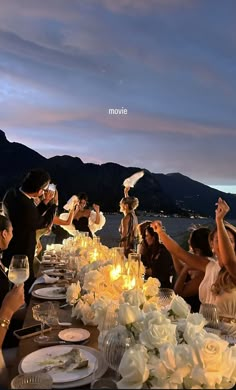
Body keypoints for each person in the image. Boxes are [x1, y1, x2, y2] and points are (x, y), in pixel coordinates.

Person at [151, 199, 236, 334]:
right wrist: (160, 232)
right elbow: (179, 252)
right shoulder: (209, 266)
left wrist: (219, 221)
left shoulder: (234, 270)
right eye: (217, 240)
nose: (222, 243)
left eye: (229, 240)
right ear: (212, 245)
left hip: (229, 333)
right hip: (204, 329)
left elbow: (229, 262)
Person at [2, 169, 57, 302]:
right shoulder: (26, 206)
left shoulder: (12, 193)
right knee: (26, 288)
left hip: (10, 248)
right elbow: (42, 222)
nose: (45, 192)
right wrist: (53, 204)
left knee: (14, 287)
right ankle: (20, 316)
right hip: (23, 251)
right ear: (38, 190)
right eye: (44, 189)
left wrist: (44, 203)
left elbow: (31, 216)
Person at [173, 226, 212, 312]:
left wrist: (186, 267)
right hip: (186, 310)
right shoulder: (195, 261)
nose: (188, 241)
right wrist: (173, 253)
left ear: (197, 250)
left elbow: (179, 292)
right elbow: (181, 271)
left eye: (190, 241)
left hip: (195, 315)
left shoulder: (204, 270)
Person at [119, 186, 139, 257]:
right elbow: (130, 204)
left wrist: (121, 253)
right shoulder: (134, 216)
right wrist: (126, 193)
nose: (120, 205)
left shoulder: (125, 219)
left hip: (127, 249)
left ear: (126, 206)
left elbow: (124, 238)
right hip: (133, 248)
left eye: (122, 204)